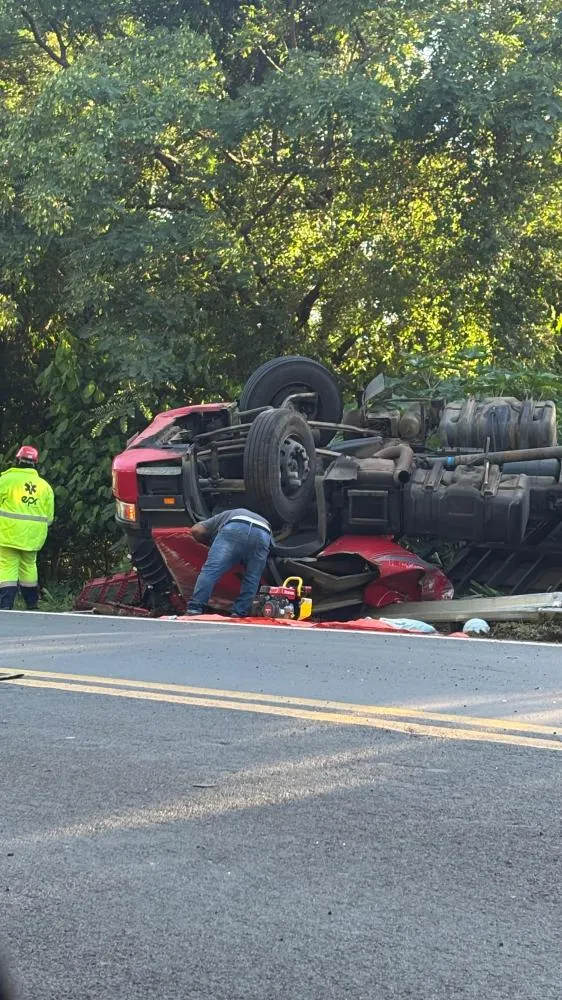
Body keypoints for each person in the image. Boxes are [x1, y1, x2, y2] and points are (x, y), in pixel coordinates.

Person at [186, 508, 272, 617]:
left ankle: (194, 609)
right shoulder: (257, 517)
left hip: (236, 526)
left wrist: (210, 544)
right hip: (264, 531)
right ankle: (239, 613)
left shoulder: (223, 516)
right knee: (252, 577)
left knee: (210, 571)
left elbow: (196, 530)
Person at [0, 445, 54, 610]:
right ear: (36, 463)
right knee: (29, 566)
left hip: (8, 534)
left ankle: (5, 605)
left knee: (7, 566)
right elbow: (49, 518)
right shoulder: (44, 487)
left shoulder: (5, 480)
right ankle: (32, 604)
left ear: (17, 460)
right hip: (33, 537)